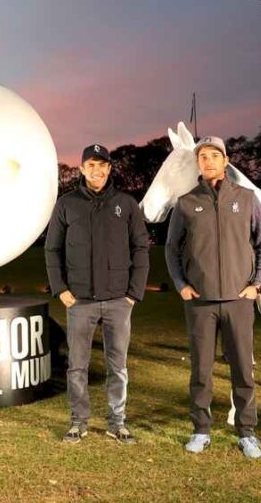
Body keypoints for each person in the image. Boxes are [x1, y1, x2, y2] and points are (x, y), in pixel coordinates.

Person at [165, 136, 261, 459]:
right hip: (200, 301)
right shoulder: (186, 202)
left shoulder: (247, 199)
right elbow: (171, 248)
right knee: (201, 370)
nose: (208, 161)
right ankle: (201, 429)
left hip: (239, 299)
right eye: (203, 156)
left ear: (226, 161)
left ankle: (247, 432)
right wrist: (181, 284)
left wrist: (258, 284)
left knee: (242, 369)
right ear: (198, 163)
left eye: (214, 155)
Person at [45, 143, 149, 444]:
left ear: (109, 169)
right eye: (91, 164)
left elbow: (141, 248)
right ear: (82, 169)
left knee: (118, 366)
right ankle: (78, 422)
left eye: (102, 164)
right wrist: (60, 288)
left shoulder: (126, 203)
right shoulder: (67, 204)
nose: (97, 170)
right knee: (77, 366)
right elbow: (52, 249)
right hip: (80, 301)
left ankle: (117, 422)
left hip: (119, 300)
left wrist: (133, 293)